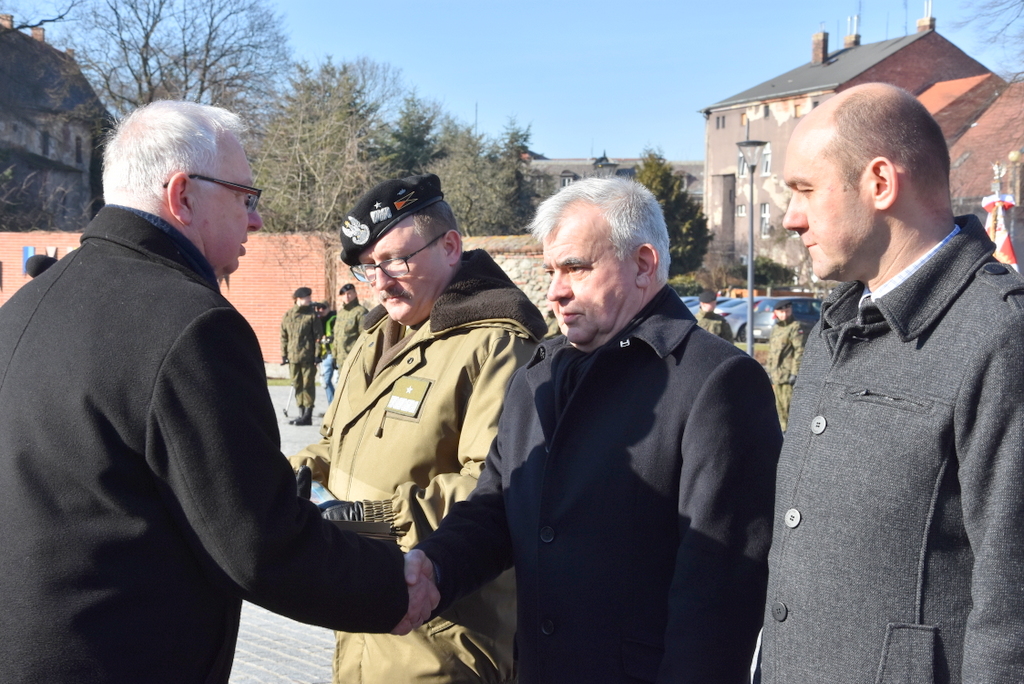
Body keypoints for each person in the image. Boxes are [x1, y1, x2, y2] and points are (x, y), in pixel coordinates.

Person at [0, 100, 436, 683]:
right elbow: (256, 541)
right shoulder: (190, 324)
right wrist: (393, 588)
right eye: (245, 197)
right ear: (182, 196)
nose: (256, 220)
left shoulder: (27, 304)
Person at [410, 176, 782, 683]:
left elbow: (719, 595)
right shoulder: (538, 375)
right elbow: (497, 505)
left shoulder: (717, 381)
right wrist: (434, 567)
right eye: (551, 271)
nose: (555, 291)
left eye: (576, 268)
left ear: (643, 264)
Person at [760, 83, 1024, 683]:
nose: (790, 217)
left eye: (805, 190)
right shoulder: (837, 326)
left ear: (879, 183)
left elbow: (1013, 603)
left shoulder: (999, 334)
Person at [288, 173, 547, 684]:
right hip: (367, 613)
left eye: (395, 261)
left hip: (443, 638)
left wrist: (369, 519)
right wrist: (292, 475)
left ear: (450, 247)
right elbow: (335, 441)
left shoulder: (497, 345)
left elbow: (495, 486)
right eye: (368, 267)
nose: (380, 282)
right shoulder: (376, 335)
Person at [281, 286, 322, 425]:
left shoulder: (312, 315)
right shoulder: (288, 315)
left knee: (308, 385)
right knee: (297, 384)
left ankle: (308, 415)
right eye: (306, 297)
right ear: (298, 299)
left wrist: (317, 355)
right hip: (293, 357)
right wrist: (284, 354)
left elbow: (318, 337)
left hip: (308, 357)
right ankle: (301, 413)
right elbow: (284, 336)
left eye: (310, 297)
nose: (309, 299)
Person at [765, 300, 804, 431]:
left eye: (787, 311)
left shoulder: (795, 327)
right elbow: (771, 351)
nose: (784, 315)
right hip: (776, 375)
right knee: (777, 408)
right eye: (781, 312)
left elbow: (799, 351)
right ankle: (782, 433)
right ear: (776, 313)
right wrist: (769, 370)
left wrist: (795, 372)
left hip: (788, 375)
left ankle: (789, 434)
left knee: (788, 407)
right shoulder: (776, 328)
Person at [332, 282, 367, 368]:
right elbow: (337, 337)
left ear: (355, 294)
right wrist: (334, 356)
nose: (346, 297)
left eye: (349, 293)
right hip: (341, 359)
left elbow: (364, 336)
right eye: (344, 294)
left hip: (354, 359)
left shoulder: (361, 312)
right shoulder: (341, 313)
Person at [315, 301, 339, 404]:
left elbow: (339, 334)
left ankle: (336, 404)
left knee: (337, 381)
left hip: (334, 353)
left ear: (329, 308)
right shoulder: (317, 320)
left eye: (323, 308)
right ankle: (332, 404)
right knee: (325, 381)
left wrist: (329, 338)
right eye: (319, 308)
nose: (321, 310)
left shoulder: (334, 318)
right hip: (324, 354)